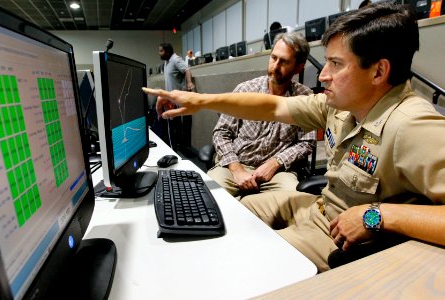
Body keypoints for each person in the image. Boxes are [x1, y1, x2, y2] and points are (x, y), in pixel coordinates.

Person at [144, 3, 445, 272]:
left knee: (241, 254)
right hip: (320, 208)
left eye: (336, 64)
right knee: (228, 214)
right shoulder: (342, 106)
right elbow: (273, 106)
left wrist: (377, 216)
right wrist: (202, 101)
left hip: (345, 238)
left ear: (378, 72)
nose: (323, 74)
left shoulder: (412, 125)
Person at [208, 32, 315, 199]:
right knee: (209, 196)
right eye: (273, 58)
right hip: (236, 165)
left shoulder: (304, 97)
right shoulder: (245, 90)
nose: (275, 66)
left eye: (284, 61)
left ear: (298, 68)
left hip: (277, 172)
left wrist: (275, 163)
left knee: (294, 200)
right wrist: (236, 169)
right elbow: (221, 132)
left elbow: (307, 143)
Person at [157, 43, 195, 152]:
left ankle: (183, 148)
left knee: (182, 126)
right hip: (171, 100)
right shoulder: (166, 62)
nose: (159, 53)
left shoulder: (175, 59)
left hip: (180, 98)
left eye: (161, 51)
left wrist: (189, 83)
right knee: (174, 125)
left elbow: (187, 70)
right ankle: (176, 147)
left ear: (167, 51)